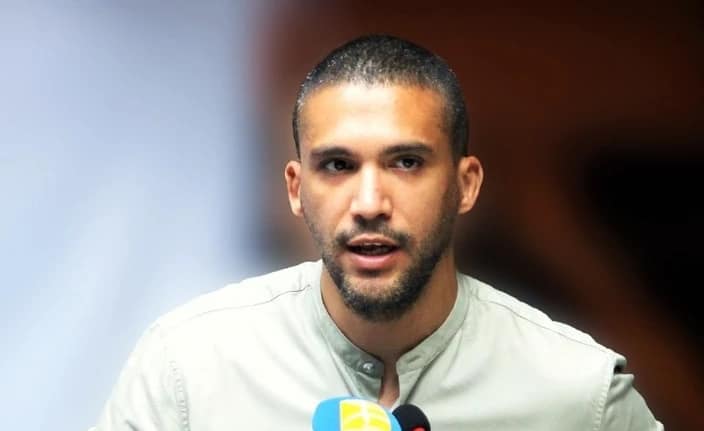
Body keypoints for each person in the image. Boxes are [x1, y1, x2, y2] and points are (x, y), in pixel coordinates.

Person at [92, 35, 663, 430]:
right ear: (296, 188)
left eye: (406, 163)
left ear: (465, 185)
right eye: (338, 165)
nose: (369, 204)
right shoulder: (186, 370)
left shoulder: (579, 393)